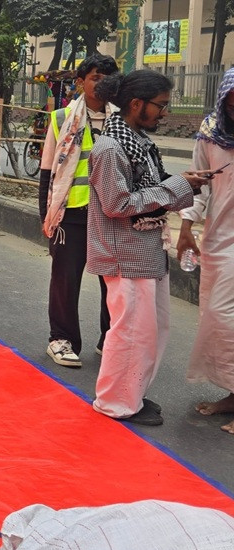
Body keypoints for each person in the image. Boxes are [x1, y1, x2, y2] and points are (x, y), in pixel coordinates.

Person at [87, 70, 211, 426]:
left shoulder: (135, 140)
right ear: (136, 104)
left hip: (145, 248)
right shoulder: (110, 147)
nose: (164, 113)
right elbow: (116, 203)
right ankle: (115, 402)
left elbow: (148, 193)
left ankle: (132, 395)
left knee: (151, 330)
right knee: (130, 332)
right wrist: (177, 188)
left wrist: (181, 184)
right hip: (125, 253)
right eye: (161, 106)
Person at [39, 55, 119, 368]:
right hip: (71, 214)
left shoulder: (122, 120)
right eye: (96, 77)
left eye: (108, 78)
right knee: (65, 280)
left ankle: (110, 338)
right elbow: (47, 171)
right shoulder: (61, 118)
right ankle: (60, 339)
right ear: (80, 82)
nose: (102, 84)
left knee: (113, 281)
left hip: (111, 214)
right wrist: (45, 215)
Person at [179, 67, 234, 428]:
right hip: (219, 239)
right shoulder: (212, 133)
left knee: (225, 316)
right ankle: (232, 394)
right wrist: (186, 227)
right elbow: (199, 183)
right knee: (214, 319)